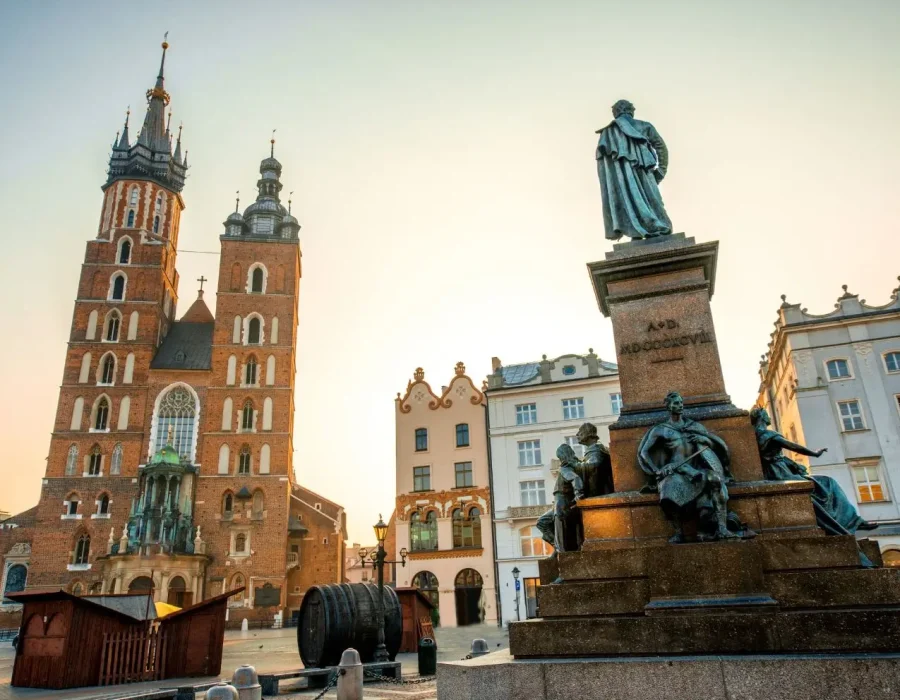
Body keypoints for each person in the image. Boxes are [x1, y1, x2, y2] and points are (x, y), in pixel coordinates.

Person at [749, 406, 876, 535]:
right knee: (828, 483)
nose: (769, 417)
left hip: (775, 472)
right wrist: (814, 453)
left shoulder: (752, 435)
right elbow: (792, 446)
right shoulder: (767, 435)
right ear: (761, 417)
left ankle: (851, 521)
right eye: (766, 414)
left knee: (823, 485)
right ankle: (852, 522)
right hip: (780, 473)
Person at [638, 391, 738, 542]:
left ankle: (722, 528)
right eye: (676, 403)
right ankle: (679, 533)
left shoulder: (694, 426)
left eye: (681, 402)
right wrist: (656, 471)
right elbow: (644, 452)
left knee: (715, 479)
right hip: (675, 470)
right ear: (668, 407)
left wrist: (703, 439)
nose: (680, 405)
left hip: (697, 469)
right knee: (668, 490)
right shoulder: (661, 429)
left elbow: (712, 446)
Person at [595, 99, 673, 240]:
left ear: (616, 112)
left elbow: (604, 166)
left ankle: (636, 230)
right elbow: (661, 147)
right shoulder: (644, 126)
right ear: (631, 111)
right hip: (645, 171)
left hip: (623, 179)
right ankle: (650, 228)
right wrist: (661, 170)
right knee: (654, 202)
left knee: (632, 201)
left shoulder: (609, 131)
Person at [536, 444, 585, 553]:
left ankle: (560, 550)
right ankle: (556, 547)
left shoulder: (565, 468)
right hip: (559, 501)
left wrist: (578, 493)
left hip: (563, 502)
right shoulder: (571, 466)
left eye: (560, 457)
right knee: (542, 522)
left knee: (559, 528)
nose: (560, 459)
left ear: (563, 456)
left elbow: (575, 478)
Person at [576, 422, 614, 496]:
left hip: (600, 492)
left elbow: (594, 465)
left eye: (580, 431)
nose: (577, 434)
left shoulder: (596, 450)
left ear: (587, 433)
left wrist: (575, 465)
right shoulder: (593, 449)